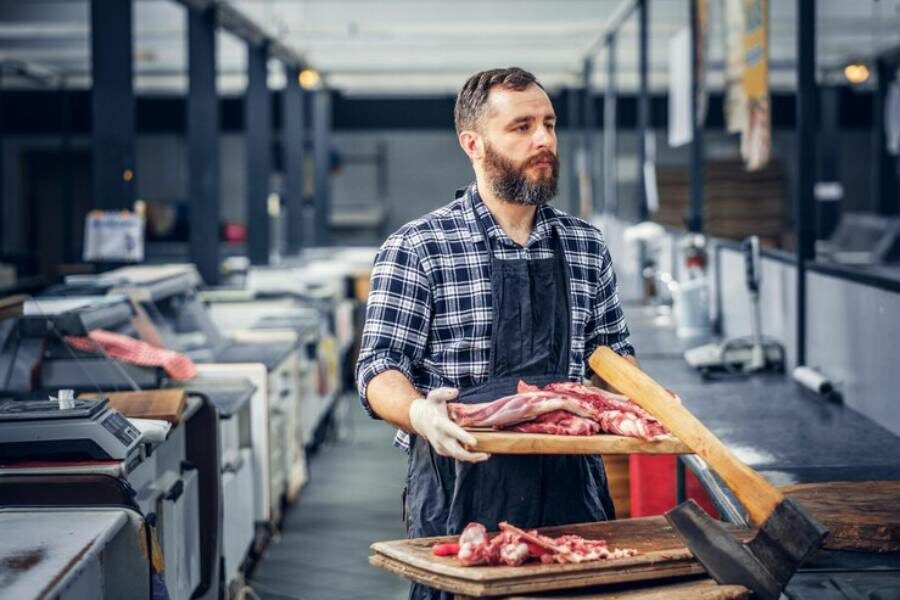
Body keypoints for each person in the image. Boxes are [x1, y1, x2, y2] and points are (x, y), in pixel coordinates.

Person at [356, 67, 636, 600]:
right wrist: (419, 413)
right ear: (474, 143)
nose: (544, 140)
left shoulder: (585, 245)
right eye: (522, 126)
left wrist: (641, 407)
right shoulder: (418, 247)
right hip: (461, 492)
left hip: (572, 492)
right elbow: (378, 366)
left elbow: (614, 357)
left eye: (549, 124)